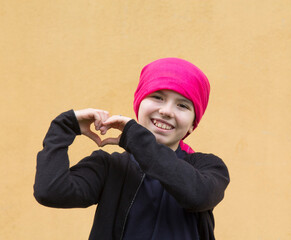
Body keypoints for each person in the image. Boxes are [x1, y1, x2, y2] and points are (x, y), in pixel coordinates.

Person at [34, 58, 230, 240]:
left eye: (182, 105)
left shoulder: (209, 167)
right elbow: (51, 191)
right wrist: (64, 126)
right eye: (158, 97)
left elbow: (197, 195)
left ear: (192, 125)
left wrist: (136, 137)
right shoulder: (109, 166)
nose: (166, 111)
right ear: (138, 105)